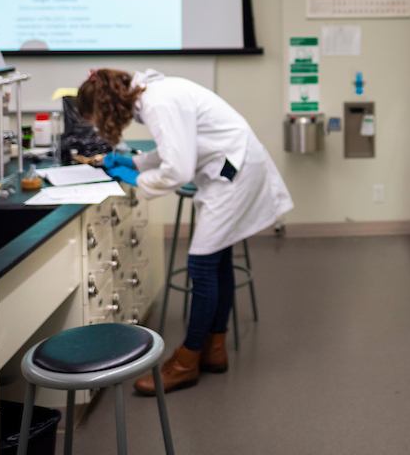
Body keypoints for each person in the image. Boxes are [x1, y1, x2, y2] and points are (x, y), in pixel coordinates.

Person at [76, 69, 293, 395]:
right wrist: (134, 163)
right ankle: (214, 349)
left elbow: (177, 169)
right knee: (216, 260)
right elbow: (175, 148)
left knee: (202, 265)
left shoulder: (157, 103)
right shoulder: (154, 95)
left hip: (232, 172)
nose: (98, 127)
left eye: (96, 119)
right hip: (231, 164)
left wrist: (139, 180)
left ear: (106, 107)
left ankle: (187, 360)